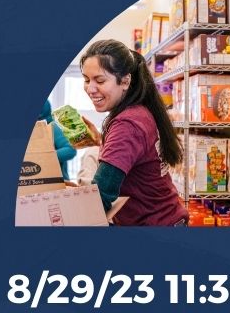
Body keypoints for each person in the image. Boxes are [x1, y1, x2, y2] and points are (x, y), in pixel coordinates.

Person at [80, 39, 187, 226]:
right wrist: (101, 141)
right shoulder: (138, 111)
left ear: (126, 80)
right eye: (87, 80)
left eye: (100, 80)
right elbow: (133, 155)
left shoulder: (127, 124)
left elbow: (100, 196)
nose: (90, 88)